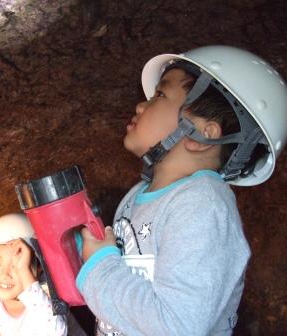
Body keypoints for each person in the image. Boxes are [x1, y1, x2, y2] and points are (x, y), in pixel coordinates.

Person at [75, 45, 287, 335]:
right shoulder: (139, 195)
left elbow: (177, 325)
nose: (140, 106)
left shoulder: (203, 207)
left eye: (160, 95)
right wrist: (89, 253)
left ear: (202, 135)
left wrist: (100, 268)